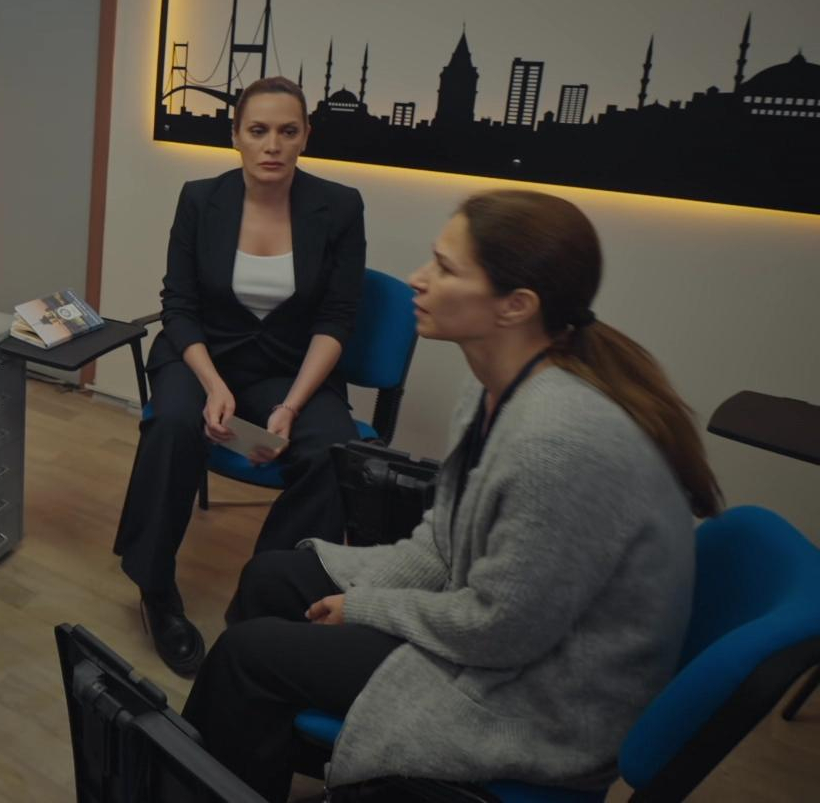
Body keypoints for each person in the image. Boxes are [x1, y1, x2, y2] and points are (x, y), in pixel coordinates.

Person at [182, 189, 722, 802]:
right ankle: (259, 746)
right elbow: (444, 542)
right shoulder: (495, 386)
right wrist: (361, 600)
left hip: (535, 696)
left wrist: (365, 608)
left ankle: (233, 748)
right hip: (501, 633)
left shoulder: (558, 441)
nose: (418, 278)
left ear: (516, 306)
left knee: (248, 658)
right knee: (271, 578)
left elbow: (502, 630)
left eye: (444, 267)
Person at [113, 76, 365, 677]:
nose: (272, 145)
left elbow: (336, 318)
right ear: (236, 137)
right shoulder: (202, 199)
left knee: (335, 450)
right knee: (174, 422)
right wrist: (214, 384)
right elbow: (178, 306)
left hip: (287, 367)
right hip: (201, 354)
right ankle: (155, 588)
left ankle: (264, 597)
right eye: (258, 130)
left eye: (287, 131)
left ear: (305, 136)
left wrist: (291, 406)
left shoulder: (339, 206)